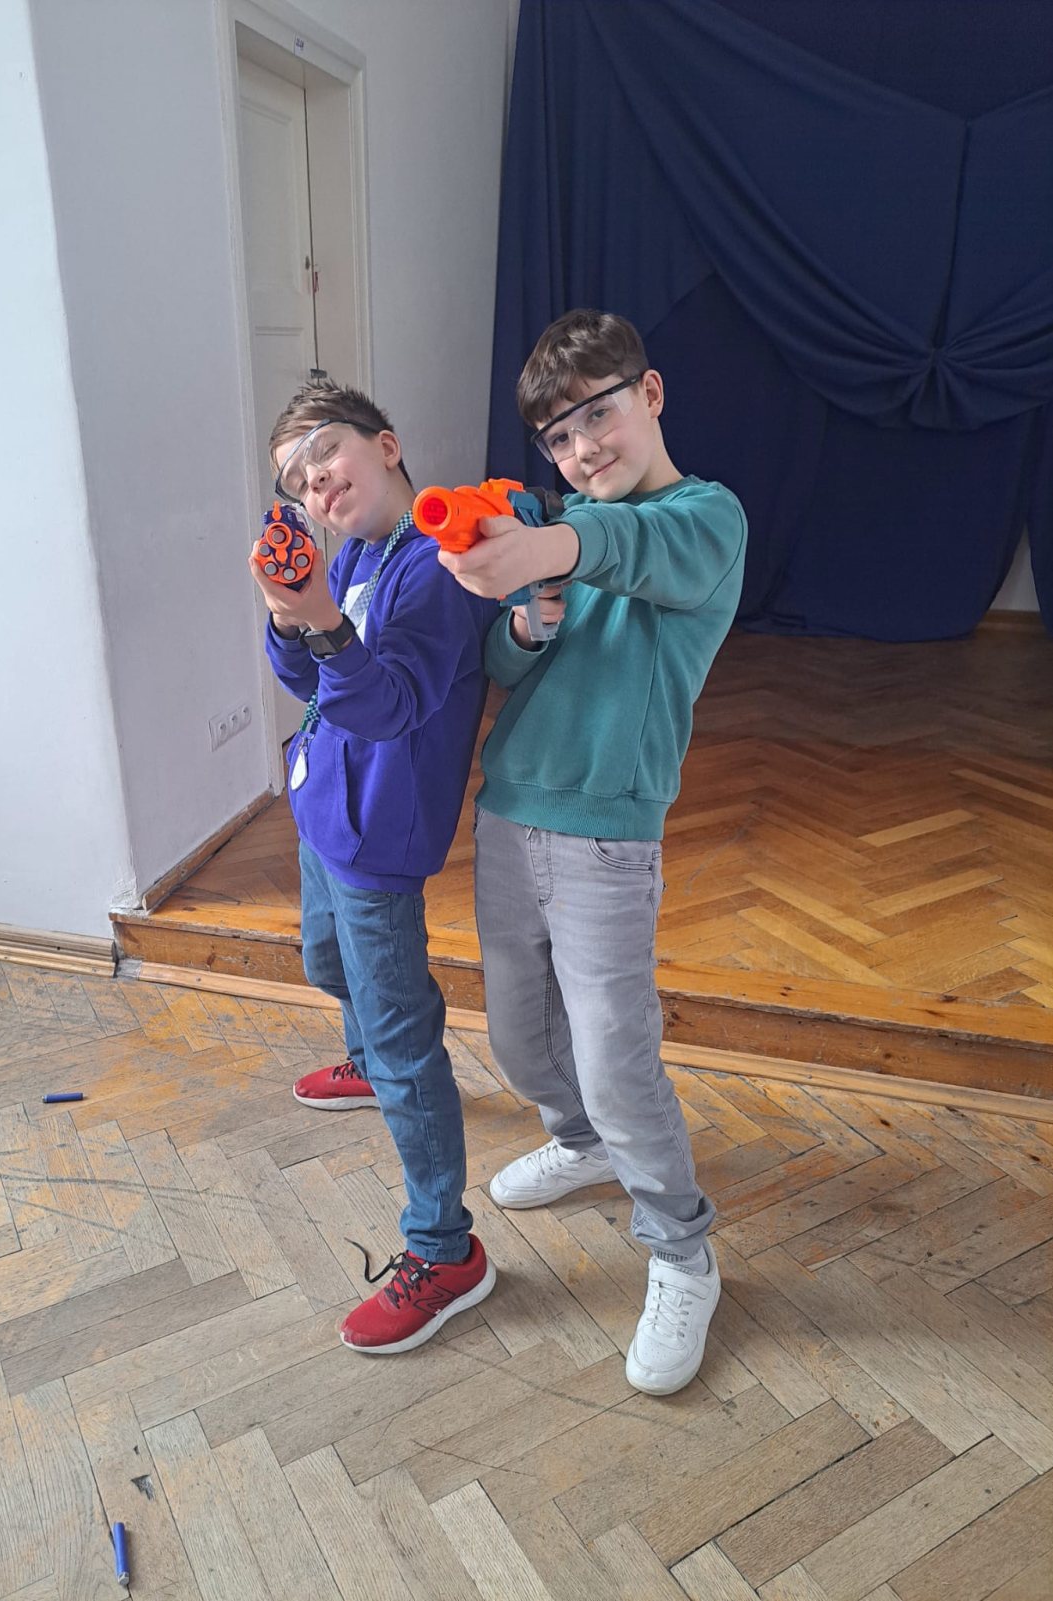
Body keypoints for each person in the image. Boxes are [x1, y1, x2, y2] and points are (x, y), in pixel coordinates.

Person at [439, 310, 748, 1395]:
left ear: (649, 395)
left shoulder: (704, 517)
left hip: (608, 839)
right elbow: (507, 662)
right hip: (510, 816)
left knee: (618, 1056)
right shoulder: (565, 530)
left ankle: (680, 1250)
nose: (581, 450)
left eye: (597, 417)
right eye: (559, 439)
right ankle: (580, 1141)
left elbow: (636, 548)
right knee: (520, 1036)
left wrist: (554, 546)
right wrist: (530, 616)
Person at [249, 378, 499, 1355]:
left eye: (325, 453)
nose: (313, 482)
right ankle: (367, 1059)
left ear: (385, 444)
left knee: (406, 1044)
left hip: (380, 838)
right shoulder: (352, 553)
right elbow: (309, 683)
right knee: (325, 961)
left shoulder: (437, 569)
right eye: (295, 479)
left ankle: (445, 1250)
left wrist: (319, 615)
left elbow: (390, 705)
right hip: (323, 811)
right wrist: (289, 618)